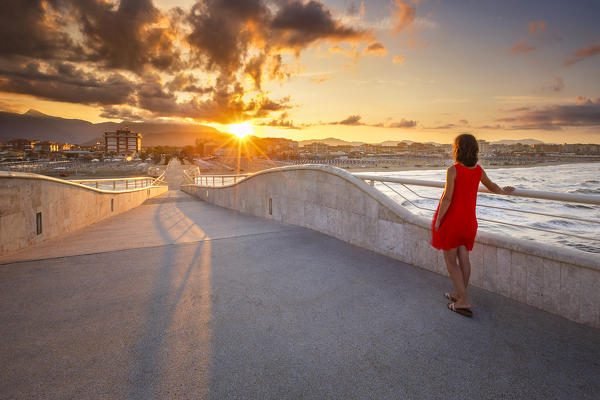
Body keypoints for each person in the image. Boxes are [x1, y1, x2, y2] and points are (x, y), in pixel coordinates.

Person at [431, 134, 514, 317]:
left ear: (457, 149)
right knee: (464, 259)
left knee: (451, 262)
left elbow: (447, 198)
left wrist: (438, 220)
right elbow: (491, 186)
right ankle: (459, 294)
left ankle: (464, 301)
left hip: (453, 221)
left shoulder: (453, 170)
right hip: (469, 222)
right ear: (475, 150)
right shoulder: (478, 170)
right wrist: (503, 192)